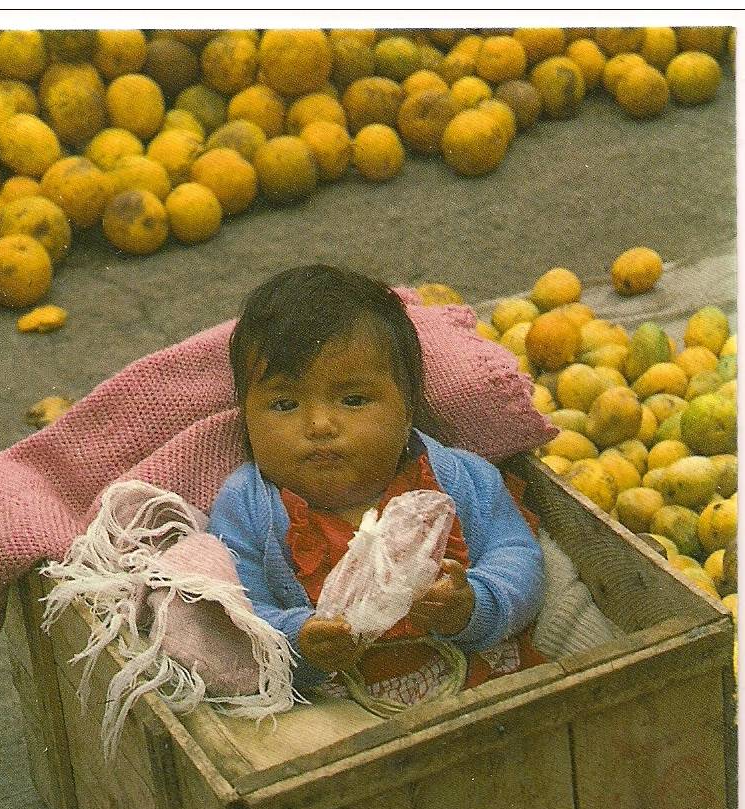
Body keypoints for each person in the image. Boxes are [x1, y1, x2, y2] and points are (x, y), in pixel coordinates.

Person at [207, 263, 545, 710]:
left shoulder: (457, 479)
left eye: (353, 400)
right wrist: (299, 639)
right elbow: (236, 613)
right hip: (338, 711)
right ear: (245, 419)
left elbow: (518, 555)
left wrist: (473, 604)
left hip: (478, 683)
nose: (319, 424)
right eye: (284, 404)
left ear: (408, 409)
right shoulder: (246, 510)